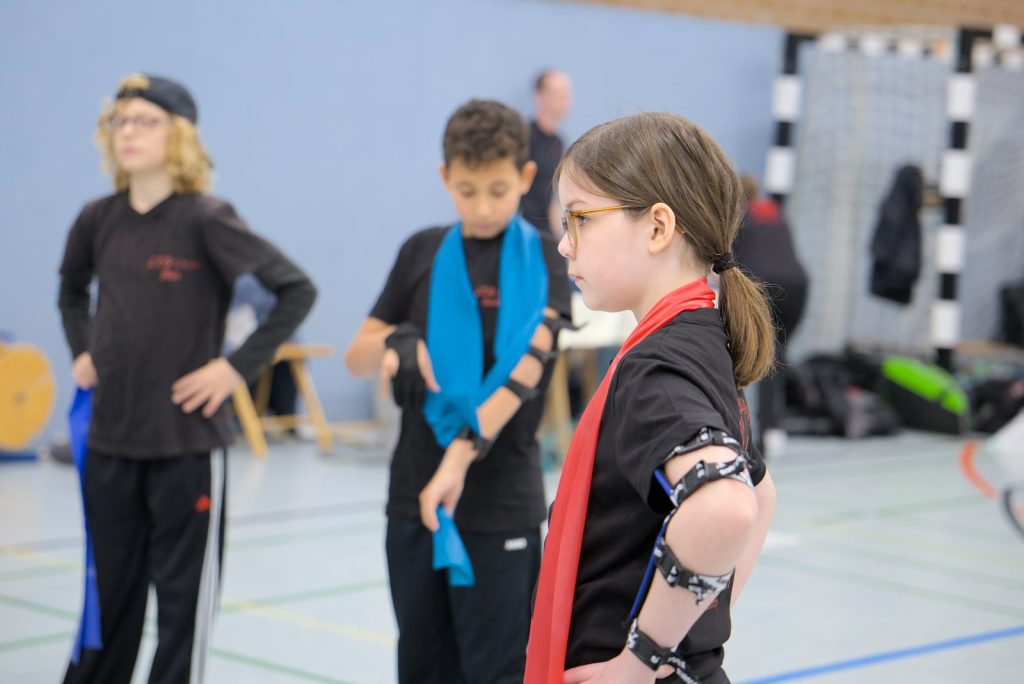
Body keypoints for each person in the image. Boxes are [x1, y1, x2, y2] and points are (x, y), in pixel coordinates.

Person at [57, 73, 317, 684]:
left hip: (186, 448)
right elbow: (71, 290)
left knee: (182, 611)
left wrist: (233, 369)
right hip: (111, 443)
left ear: (179, 136)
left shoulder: (207, 219)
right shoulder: (97, 219)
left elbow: (296, 290)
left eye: (144, 121)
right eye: (119, 121)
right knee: (108, 601)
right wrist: (83, 349)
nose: (127, 132)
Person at [525, 112, 778, 684]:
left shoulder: (657, 365)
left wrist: (642, 658)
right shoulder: (701, 337)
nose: (564, 244)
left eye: (580, 219)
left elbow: (726, 505)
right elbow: (760, 493)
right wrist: (691, 624)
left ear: (658, 227)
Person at [344, 98, 572, 684]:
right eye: (467, 191)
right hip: (413, 492)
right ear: (445, 177)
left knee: (497, 670)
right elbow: (356, 356)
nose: (483, 207)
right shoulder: (421, 251)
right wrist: (399, 339)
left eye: (498, 190)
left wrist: (460, 455)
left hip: (500, 500)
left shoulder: (547, 260)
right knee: (422, 665)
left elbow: (526, 375)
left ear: (525, 176)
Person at [733, 175, 808, 459]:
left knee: (762, 357)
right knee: (777, 354)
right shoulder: (776, 213)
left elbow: (729, 262)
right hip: (798, 286)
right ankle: (774, 428)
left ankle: (759, 436)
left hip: (764, 283)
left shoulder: (739, 217)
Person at [521, 69, 572, 234]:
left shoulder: (558, 142)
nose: (565, 100)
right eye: (559, 93)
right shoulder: (524, 138)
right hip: (525, 230)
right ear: (540, 97)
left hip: (547, 232)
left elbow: (553, 197)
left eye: (566, 94)